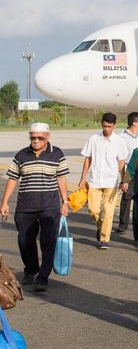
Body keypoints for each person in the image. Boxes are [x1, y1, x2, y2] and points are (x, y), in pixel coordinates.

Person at [1, 123, 69, 292]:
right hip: (25, 206)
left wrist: (65, 201)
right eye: (33, 137)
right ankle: (31, 270)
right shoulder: (21, 155)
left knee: (49, 242)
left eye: (40, 137)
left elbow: (61, 179)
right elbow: (12, 179)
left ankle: (43, 277)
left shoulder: (57, 154)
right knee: (24, 241)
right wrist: (4, 203)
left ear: (48, 137)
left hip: (50, 206)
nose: (36, 141)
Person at [79, 112, 129, 249]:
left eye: (109, 126)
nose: (106, 129)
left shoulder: (119, 141)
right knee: (93, 210)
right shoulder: (94, 138)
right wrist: (83, 177)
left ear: (114, 126)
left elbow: (122, 162)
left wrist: (123, 180)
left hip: (111, 182)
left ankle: (104, 239)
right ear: (101, 124)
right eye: (104, 126)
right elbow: (87, 158)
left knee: (108, 211)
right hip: (95, 181)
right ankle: (101, 227)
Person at [117, 112, 138, 233]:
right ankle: (123, 224)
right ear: (134, 123)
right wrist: (123, 178)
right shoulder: (121, 137)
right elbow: (120, 158)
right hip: (130, 171)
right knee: (127, 197)